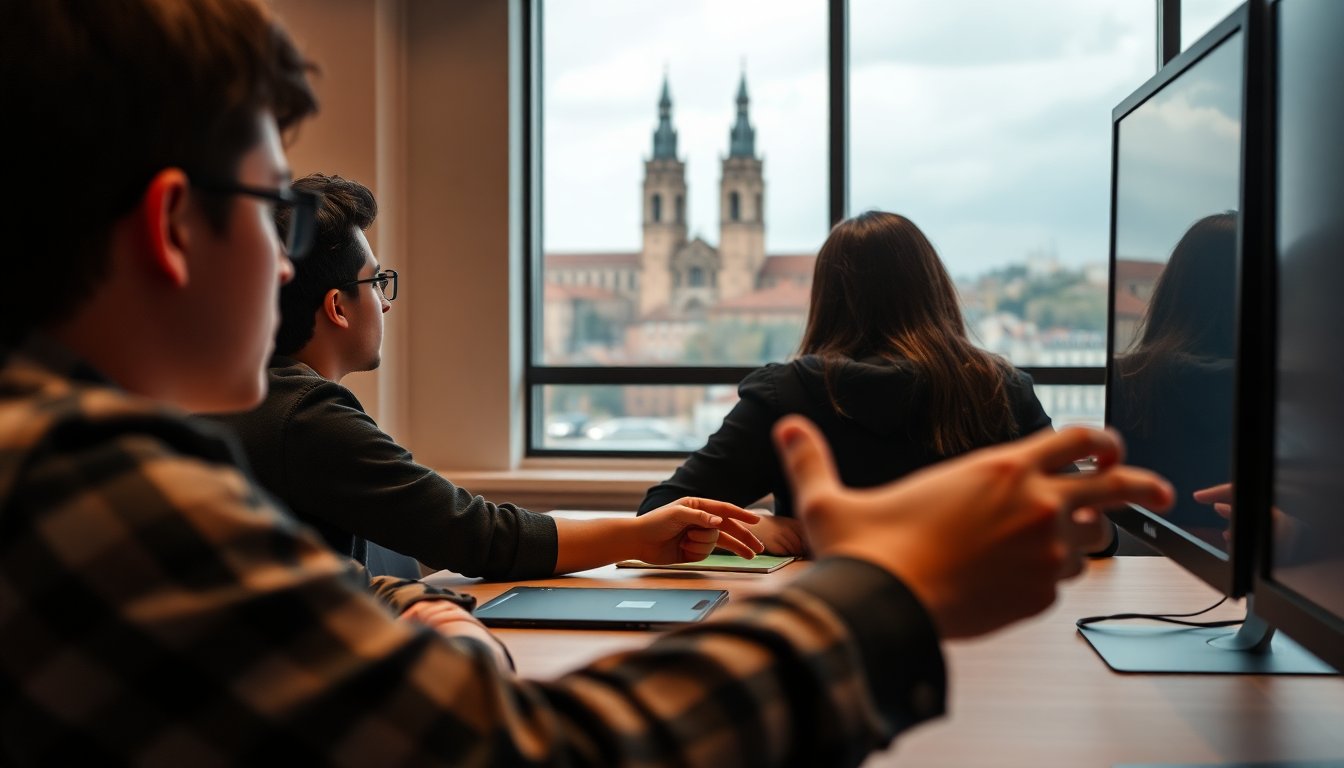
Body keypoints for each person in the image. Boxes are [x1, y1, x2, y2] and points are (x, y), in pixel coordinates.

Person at [0, 1, 1174, 763]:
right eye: (280, 205)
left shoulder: (93, 457)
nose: (299, 255)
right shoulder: (81, 483)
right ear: (172, 226)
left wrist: (415, 612)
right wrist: (895, 588)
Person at [210, 173, 762, 579]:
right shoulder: (306, 418)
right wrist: (639, 536)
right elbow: (476, 536)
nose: (386, 304)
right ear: (337, 307)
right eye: (376, 283)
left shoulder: (254, 398)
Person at [641, 211, 1063, 555]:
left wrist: (756, 529)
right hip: (982, 620)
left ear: (825, 300)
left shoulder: (785, 394)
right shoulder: (999, 388)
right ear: (936, 291)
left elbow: (657, 516)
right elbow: (1094, 531)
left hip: (832, 618)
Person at [1112, 212, 1238, 547]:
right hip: (1249, 560)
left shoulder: (1129, 378)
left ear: (1174, 286)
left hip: (1144, 555)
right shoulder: (1288, 389)